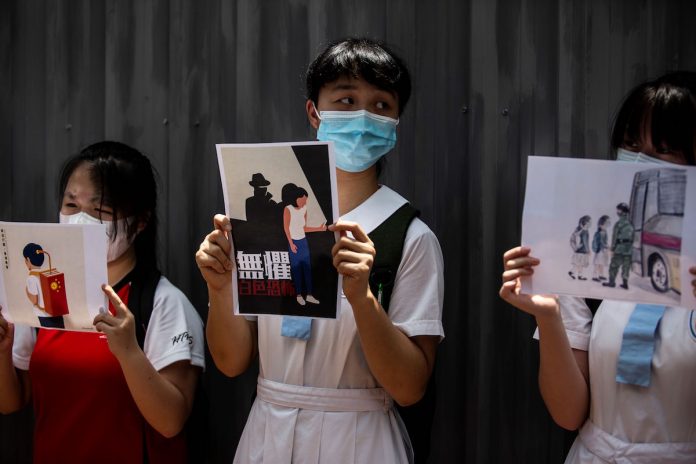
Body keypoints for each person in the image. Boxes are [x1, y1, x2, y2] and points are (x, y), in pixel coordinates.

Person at [197, 38, 444, 463]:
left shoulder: (409, 235)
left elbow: (409, 387)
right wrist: (219, 289)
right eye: (346, 100)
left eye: (382, 106)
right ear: (315, 112)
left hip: (359, 438)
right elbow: (231, 361)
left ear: (396, 121)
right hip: (268, 432)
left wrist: (363, 297)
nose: (364, 118)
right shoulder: (263, 221)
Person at [500, 71, 696, 463]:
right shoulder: (587, 267)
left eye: (661, 150)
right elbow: (568, 413)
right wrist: (549, 316)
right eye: (629, 145)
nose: (638, 160)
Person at [0, 141, 205, 463]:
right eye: (71, 205)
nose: (81, 220)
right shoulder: (43, 295)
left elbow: (171, 422)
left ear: (140, 221)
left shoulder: (163, 303)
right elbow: (12, 400)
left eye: (101, 211)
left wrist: (127, 351)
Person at [281, 183, 326, 306]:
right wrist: (291, 243)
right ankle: (299, 295)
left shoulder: (304, 209)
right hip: (294, 243)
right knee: (296, 270)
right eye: (303, 200)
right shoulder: (288, 209)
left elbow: (304, 228)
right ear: (297, 198)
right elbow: (286, 228)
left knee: (307, 269)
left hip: (303, 242)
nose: (305, 203)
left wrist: (319, 229)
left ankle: (310, 295)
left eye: (306, 201)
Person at [602, 203, 634, 289]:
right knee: (626, 267)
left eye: (618, 210)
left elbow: (614, 237)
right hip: (629, 249)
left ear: (621, 211)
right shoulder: (631, 224)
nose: (617, 212)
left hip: (619, 248)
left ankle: (612, 282)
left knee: (614, 266)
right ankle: (625, 283)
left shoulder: (618, 224)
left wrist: (612, 249)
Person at [568, 215, 591, 281]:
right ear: (585, 223)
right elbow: (585, 242)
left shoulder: (580, 230)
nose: (590, 224)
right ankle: (577, 274)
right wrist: (588, 250)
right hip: (582, 251)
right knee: (580, 264)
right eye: (589, 222)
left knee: (578, 264)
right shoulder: (584, 231)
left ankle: (574, 273)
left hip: (579, 250)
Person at [591, 215, 610, 282]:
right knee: (597, 264)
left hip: (603, 251)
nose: (607, 226)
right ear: (600, 225)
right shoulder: (599, 233)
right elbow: (601, 242)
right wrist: (606, 246)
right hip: (599, 251)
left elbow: (605, 241)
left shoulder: (605, 232)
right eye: (605, 224)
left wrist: (606, 246)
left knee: (601, 263)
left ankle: (601, 275)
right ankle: (594, 276)